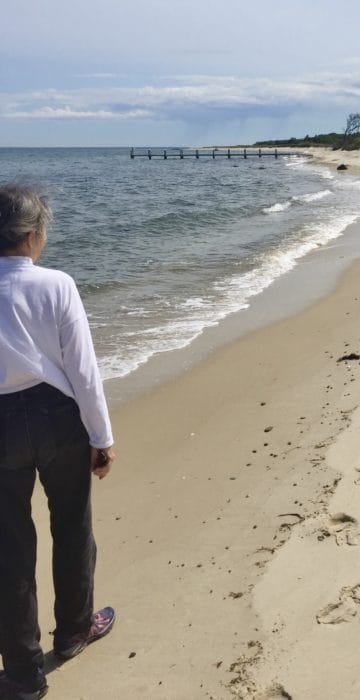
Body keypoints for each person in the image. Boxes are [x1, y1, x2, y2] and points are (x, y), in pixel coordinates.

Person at [0, 184, 116, 700]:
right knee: (72, 526)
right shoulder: (56, 284)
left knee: (8, 549)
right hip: (58, 416)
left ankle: (22, 673)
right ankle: (73, 630)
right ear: (31, 235)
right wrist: (101, 436)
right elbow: (82, 369)